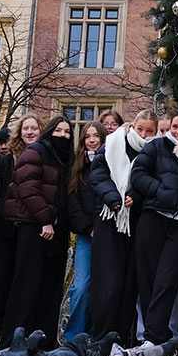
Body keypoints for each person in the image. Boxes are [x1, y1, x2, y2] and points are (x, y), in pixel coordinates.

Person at [131, 106, 178, 348]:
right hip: (154, 218)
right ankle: (153, 337)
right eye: (175, 126)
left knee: (167, 280)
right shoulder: (156, 146)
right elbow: (138, 175)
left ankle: (154, 339)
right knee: (148, 280)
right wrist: (161, 192)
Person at [2, 116, 74, 348]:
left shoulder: (65, 158)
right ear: (50, 131)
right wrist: (45, 219)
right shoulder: (36, 151)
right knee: (27, 286)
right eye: (59, 131)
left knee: (50, 287)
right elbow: (27, 186)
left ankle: (43, 342)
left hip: (57, 229)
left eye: (68, 132)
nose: (63, 135)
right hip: (34, 227)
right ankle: (14, 342)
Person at [89, 110, 158, 350]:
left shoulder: (154, 149)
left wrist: (135, 196)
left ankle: (120, 339)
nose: (144, 134)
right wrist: (115, 198)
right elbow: (97, 174)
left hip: (136, 221)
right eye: (141, 129)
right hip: (109, 218)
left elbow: (150, 180)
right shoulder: (114, 141)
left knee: (129, 284)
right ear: (133, 125)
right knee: (108, 283)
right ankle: (102, 339)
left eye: (150, 131)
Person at [0, 114, 41, 356]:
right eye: (26, 128)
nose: (30, 132)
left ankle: (22, 335)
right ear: (19, 132)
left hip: (32, 232)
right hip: (5, 231)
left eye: (35, 128)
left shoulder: (45, 158)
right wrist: (4, 210)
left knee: (25, 284)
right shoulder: (6, 162)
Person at [63, 120, 107, 342]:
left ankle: (96, 335)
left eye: (96, 136)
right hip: (85, 237)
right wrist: (89, 228)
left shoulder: (111, 164)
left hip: (109, 237)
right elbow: (73, 204)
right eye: (88, 136)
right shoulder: (77, 168)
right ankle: (74, 337)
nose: (92, 140)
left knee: (103, 288)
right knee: (81, 288)